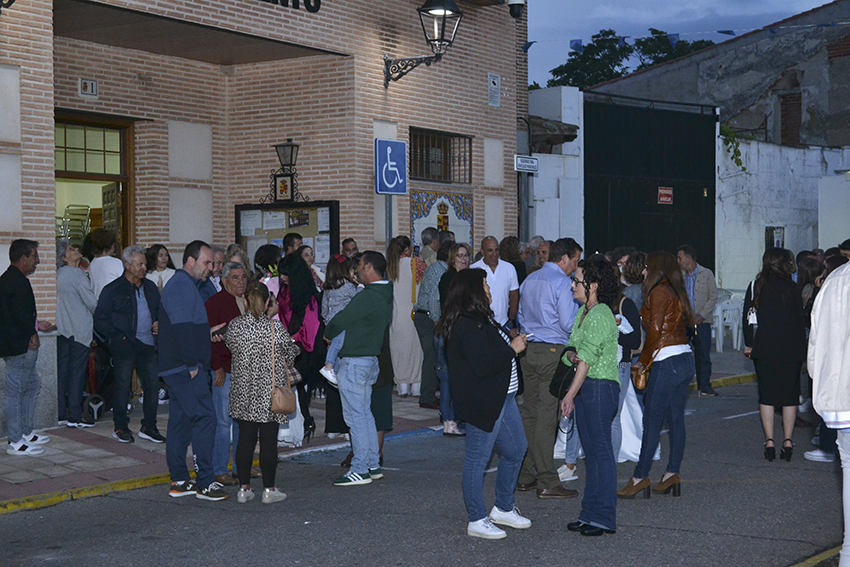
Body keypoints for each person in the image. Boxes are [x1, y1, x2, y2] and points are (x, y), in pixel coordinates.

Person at [441, 268, 530, 539]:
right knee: (478, 459)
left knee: (516, 450)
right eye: (485, 286)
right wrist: (512, 348)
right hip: (484, 400)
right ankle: (476, 518)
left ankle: (503, 507)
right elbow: (482, 364)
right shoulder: (466, 324)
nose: (490, 290)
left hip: (503, 397)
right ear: (474, 291)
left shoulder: (483, 319)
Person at [618, 252, 695, 499]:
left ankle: (640, 477)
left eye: (647, 267)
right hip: (684, 358)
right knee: (675, 421)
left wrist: (643, 362)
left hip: (666, 361)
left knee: (651, 422)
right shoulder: (675, 290)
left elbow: (654, 333)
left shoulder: (659, 292)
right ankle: (671, 473)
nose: (643, 270)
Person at [159, 240, 228, 501]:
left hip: (180, 366)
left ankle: (179, 480)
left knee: (182, 421)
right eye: (206, 263)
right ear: (190, 261)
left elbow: (187, 326)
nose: (210, 268)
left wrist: (205, 334)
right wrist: (191, 364)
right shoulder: (181, 286)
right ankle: (205, 482)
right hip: (184, 368)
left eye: (212, 263)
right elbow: (180, 329)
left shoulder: (186, 286)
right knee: (205, 418)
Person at [515, 237, 582, 499]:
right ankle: (546, 479)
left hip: (529, 349)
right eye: (575, 261)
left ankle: (525, 474)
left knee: (530, 414)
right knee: (546, 417)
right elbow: (567, 323)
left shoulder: (530, 279)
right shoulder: (561, 283)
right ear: (564, 258)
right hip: (552, 352)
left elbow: (520, 316)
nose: (575, 267)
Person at [559, 255, 621, 536]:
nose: (573, 285)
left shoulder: (601, 314)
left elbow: (583, 358)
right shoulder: (584, 311)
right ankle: (589, 513)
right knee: (592, 456)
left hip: (599, 387)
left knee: (600, 454)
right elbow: (570, 351)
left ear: (593, 285)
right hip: (588, 386)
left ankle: (604, 517)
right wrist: (572, 355)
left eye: (578, 281)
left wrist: (570, 394)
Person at [325, 251, 394, 486]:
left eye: (360, 265)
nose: (356, 270)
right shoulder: (384, 293)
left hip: (355, 361)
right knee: (365, 415)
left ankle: (360, 469)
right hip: (369, 360)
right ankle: (372, 464)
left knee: (355, 417)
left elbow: (342, 319)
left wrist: (328, 333)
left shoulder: (369, 296)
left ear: (369, 268)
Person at [225, 282, 298, 504]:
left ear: (245, 301)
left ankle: (244, 489)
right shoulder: (276, 329)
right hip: (270, 393)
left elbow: (230, 347)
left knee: (245, 441)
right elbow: (292, 354)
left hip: (243, 391)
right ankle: (269, 489)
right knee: (268, 442)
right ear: (268, 302)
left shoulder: (235, 326)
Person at [743, 247, 807, 462]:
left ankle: (769, 440)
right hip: (791, 348)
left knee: (767, 396)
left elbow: (747, 318)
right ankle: (788, 441)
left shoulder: (757, 285)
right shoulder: (792, 287)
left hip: (765, 347)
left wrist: (749, 344)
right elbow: (800, 321)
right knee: (790, 396)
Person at [94, 246, 164, 444]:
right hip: (125, 345)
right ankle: (120, 427)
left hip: (148, 343)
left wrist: (159, 322)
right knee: (122, 386)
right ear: (127, 265)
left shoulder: (150, 287)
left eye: (144, 264)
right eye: (139, 264)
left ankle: (149, 426)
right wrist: (117, 338)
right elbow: (100, 320)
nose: (144, 267)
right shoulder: (113, 290)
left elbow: (159, 310)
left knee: (152, 385)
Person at [808, 261, 850, 566]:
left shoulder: (836, 279)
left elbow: (815, 344)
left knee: (848, 471)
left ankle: (848, 553)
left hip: (840, 398)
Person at [1, 240, 54, 455]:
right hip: (18, 348)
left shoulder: (13, 280)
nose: (37, 261)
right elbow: (18, 316)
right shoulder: (14, 281)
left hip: (20, 345)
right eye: (34, 256)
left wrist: (37, 324)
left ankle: (26, 431)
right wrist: (32, 333)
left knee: (32, 385)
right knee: (15, 392)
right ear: (23, 258)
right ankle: (15, 441)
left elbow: (18, 313)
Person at [205, 261, 249, 486]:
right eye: (235, 277)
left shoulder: (248, 301)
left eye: (243, 277)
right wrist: (216, 367)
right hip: (226, 371)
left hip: (245, 370)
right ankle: (219, 469)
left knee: (243, 422)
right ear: (223, 280)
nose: (240, 281)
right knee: (224, 423)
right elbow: (209, 337)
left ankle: (242, 468)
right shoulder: (215, 303)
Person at [805, 254, 848, 463]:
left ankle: (828, 447)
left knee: (847, 461)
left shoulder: (835, 282)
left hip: (839, 381)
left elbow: (816, 335)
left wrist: (816, 371)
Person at [276, 254, 323, 441]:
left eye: (285, 274)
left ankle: (304, 422)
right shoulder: (285, 291)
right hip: (289, 345)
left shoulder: (308, 297)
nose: (282, 277)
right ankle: (305, 422)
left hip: (303, 348)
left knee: (298, 384)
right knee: (297, 387)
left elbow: (310, 328)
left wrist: (294, 342)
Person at [56, 238, 97, 428]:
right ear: (64, 257)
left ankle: (61, 413)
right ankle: (74, 415)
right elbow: (92, 303)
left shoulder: (57, 275)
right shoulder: (77, 275)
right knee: (77, 374)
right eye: (71, 249)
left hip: (63, 329)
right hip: (79, 330)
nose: (76, 249)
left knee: (63, 373)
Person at [437, 242, 472, 435]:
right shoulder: (448, 278)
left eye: (466, 254)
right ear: (452, 258)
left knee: (456, 378)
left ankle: (455, 418)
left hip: (460, 332)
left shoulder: (464, 277)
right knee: (447, 379)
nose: (464, 258)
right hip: (449, 332)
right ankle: (448, 421)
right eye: (459, 255)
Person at [676, 244, 718, 396]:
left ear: (688, 258)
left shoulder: (706, 274)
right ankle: (680, 383)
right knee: (681, 353)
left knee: (703, 355)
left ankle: (704, 385)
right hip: (684, 321)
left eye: (680, 258)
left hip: (702, 321)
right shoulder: (679, 275)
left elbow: (713, 296)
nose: (678, 261)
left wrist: (702, 315)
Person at [413, 241, 450, 410]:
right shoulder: (439, 271)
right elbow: (434, 299)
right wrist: (437, 320)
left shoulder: (440, 269)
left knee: (434, 356)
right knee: (431, 357)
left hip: (427, 316)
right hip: (428, 317)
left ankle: (431, 393)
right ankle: (426, 397)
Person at [386, 236, 424, 398]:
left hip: (395, 315)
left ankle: (402, 387)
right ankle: (416, 387)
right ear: (407, 249)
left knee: (399, 351)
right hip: (413, 313)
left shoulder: (389, 267)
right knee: (416, 351)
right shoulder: (416, 264)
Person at [320, 254, 359, 387]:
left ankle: (334, 373)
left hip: (330, 319)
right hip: (341, 320)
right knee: (338, 343)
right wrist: (359, 286)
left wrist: (326, 319)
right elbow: (357, 299)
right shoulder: (348, 286)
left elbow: (324, 307)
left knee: (334, 345)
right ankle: (329, 366)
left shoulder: (328, 287)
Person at [471, 236, 519, 331]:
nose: (494, 254)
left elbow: (514, 296)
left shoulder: (509, 268)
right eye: (490, 250)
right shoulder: (473, 269)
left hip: (504, 324)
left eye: (496, 250)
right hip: (482, 325)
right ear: (482, 252)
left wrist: (511, 320)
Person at [88, 228, 124, 299]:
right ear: (112, 246)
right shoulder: (116, 262)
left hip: (99, 302)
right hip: (114, 302)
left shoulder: (92, 263)